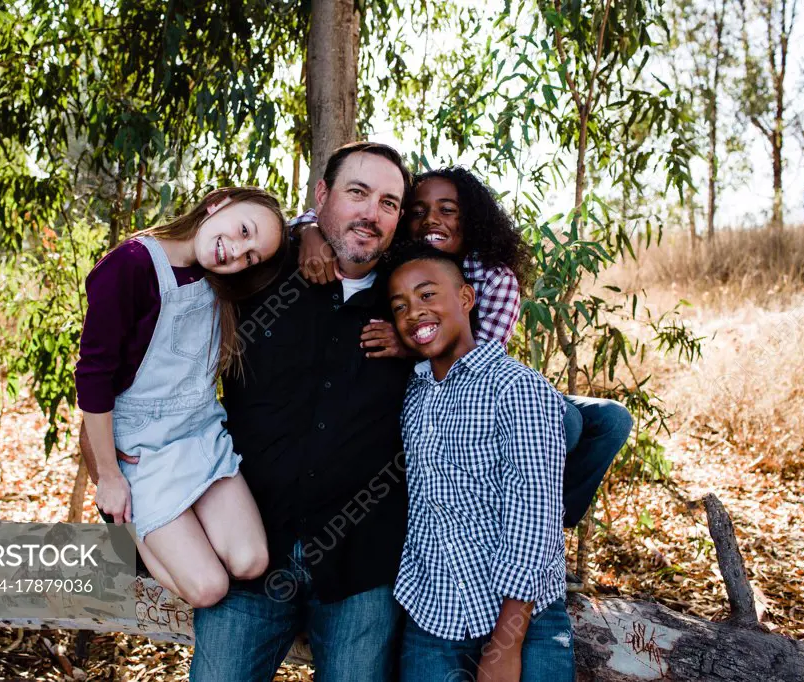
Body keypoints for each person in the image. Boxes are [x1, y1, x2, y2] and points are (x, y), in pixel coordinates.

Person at [294, 166, 633, 529]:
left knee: (609, 420)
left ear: (470, 218)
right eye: (419, 211)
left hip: (479, 384)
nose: (431, 220)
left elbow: (479, 366)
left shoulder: (490, 275)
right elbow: (333, 212)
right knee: (565, 421)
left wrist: (406, 345)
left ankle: (547, 518)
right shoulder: (393, 253)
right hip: (421, 387)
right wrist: (309, 231)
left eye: (447, 210)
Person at [188, 142, 414, 682]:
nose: (371, 213)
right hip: (250, 549)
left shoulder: (412, 302)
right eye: (357, 193)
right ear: (320, 196)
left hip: (359, 566)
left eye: (389, 202)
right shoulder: (260, 272)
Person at [75, 187, 287, 608]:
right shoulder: (132, 265)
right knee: (208, 588)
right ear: (218, 203)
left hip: (198, 434)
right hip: (143, 453)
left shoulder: (219, 282)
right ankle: (132, 531)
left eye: (251, 256)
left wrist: (314, 231)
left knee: (250, 561)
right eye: (243, 230)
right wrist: (109, 475)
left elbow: (309, 234)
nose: (237, 252)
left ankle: (177, 526)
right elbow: (93, 376)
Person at [386, 241, 574, 682]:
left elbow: (535, 512)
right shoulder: (412, 393)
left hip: (523, 620)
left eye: (427, 295)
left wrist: (506, 643)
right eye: (400, 306)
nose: (414, 312)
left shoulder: (516, 388)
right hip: (433, 617)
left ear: (466, 299)